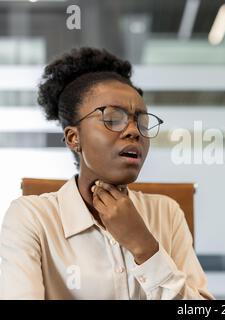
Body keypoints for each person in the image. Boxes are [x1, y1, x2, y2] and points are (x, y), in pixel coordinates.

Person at [0, 47, 213, 300]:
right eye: (113, 119)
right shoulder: (31, 218)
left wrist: (145, 247)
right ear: (73, 137)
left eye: (142, 122)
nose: (134, 131)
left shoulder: (167, 212)